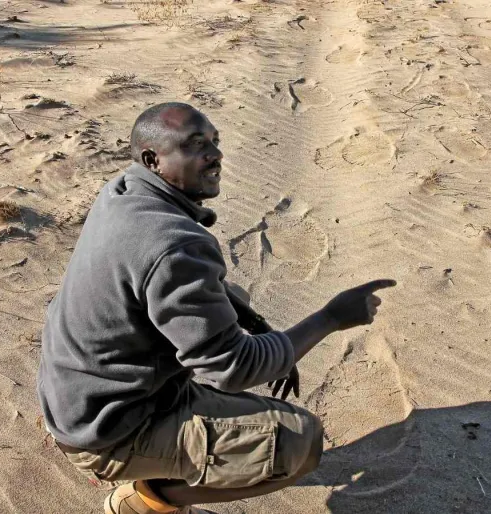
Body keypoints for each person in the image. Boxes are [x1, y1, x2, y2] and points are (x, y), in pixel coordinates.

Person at [36, 102, 395, 514]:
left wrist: (259, 326)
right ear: (153, 160)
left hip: (77, 396)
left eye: (215, 141)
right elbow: (235, 370)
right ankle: (146, 501)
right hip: (106, 429)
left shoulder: (124, 193)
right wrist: (331, 318)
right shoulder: (175, 244)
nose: (216, 154)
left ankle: (167, 455)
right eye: (196, 145)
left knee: (233, 296)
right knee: (301, 441)